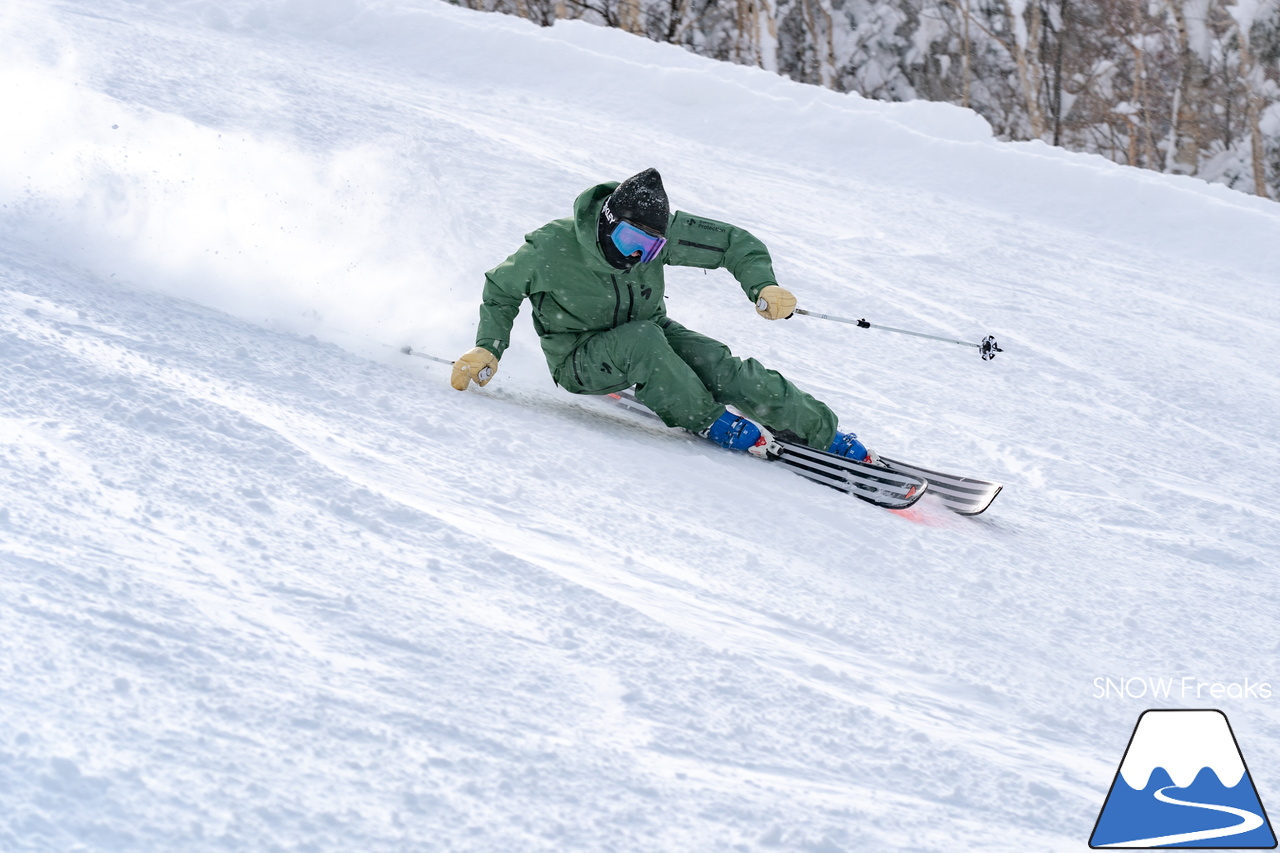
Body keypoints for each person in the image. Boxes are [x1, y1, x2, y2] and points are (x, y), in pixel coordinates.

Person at [450, 168, 874, 462]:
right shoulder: (552, 246)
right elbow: (501, 289)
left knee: (720, 366)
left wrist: (762, 285)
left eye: (650, 248)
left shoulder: (657, 235)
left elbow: (733, 242)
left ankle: (820, 432)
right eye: (631, 238)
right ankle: (706, 420)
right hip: (578, 359)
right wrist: (489, 347)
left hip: (649, 331)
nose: (637, 254)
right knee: (645, 342)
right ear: (607, 222)